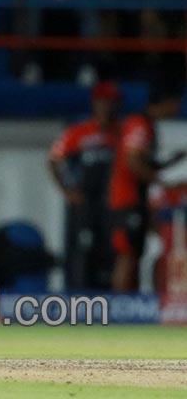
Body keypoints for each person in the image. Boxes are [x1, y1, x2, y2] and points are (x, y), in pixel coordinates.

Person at [108, 78, 185, 292]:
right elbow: (133, 161)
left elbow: (144, 162)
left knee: (136, 252)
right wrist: (164, 184)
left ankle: (129, 301)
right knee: (128, 254)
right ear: (167, 102)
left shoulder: (147, 125)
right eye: (177, 102)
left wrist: (171, 162)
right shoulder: (139, 124)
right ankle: (119, 307)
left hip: (136, 198)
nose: (178, 108)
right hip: (127, 198)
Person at [48, 82, 121, 290]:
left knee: (110, 251)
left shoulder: (121, 133)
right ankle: (77, 301)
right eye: (103, 102)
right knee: (80, 252)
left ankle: (109, 302)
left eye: (112, 102)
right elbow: (54, 159)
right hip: (84, 203)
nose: (107, 107)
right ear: (95, 103)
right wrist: (67, 190)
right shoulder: (78, 132)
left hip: (112, 204)